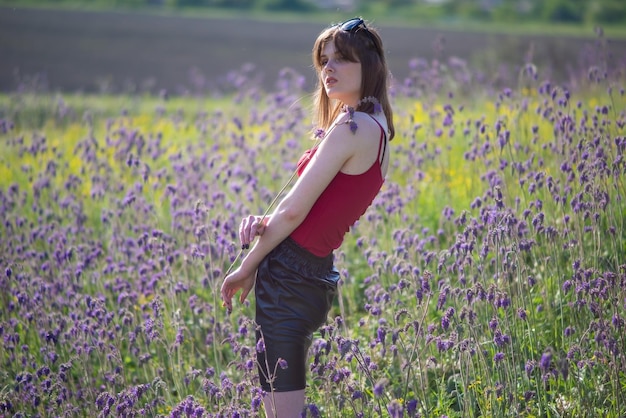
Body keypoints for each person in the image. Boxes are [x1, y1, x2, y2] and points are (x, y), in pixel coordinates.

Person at [221, 17, 395, 418]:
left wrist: (246, 267)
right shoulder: (378, 129)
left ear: (370, 65)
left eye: (341, 59)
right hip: (312, 276)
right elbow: (314, 209)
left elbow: (295, 211)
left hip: (288, 279)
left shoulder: (352, 127)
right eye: (323, 60)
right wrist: (266, 221)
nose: (328, 69)